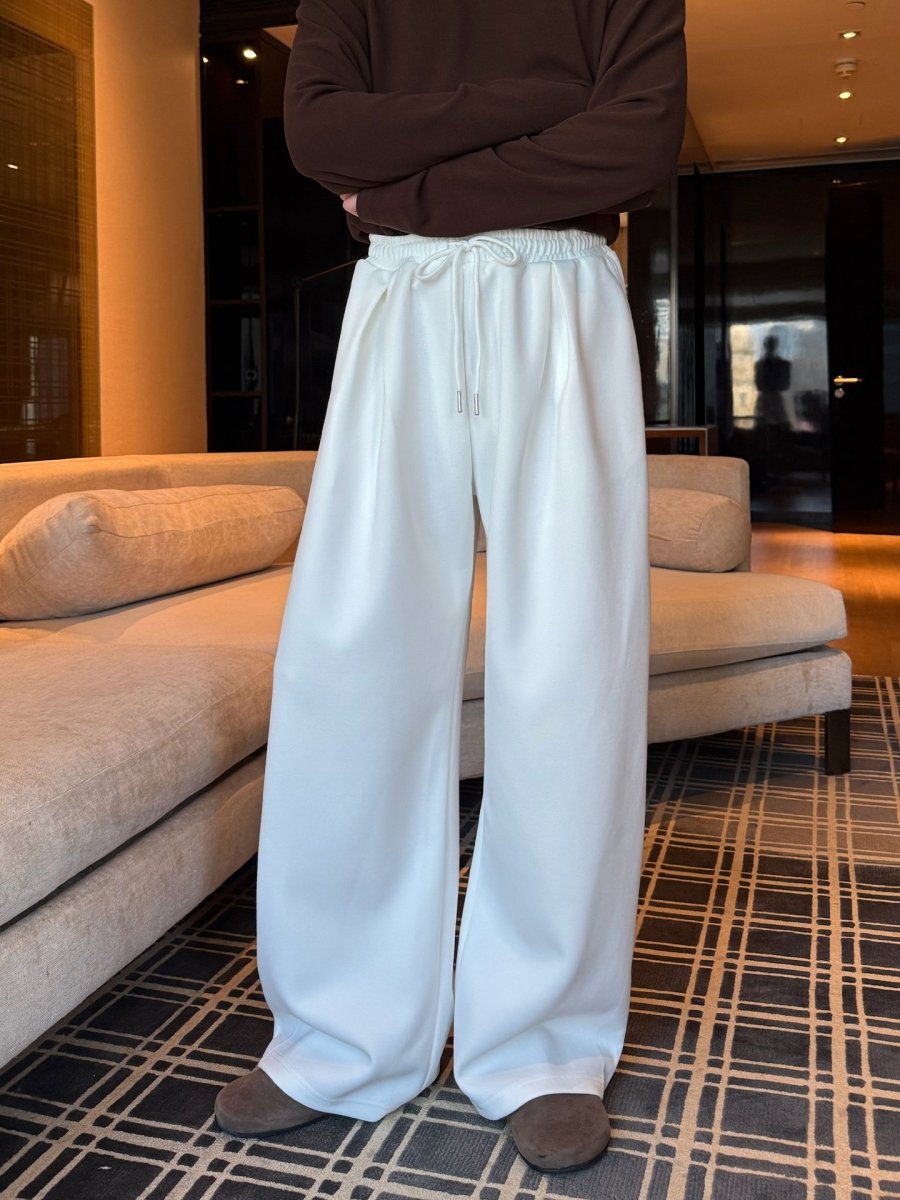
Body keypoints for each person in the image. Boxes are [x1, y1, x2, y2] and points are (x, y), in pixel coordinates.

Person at [214, 0, 686, 1173]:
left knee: (570, 665)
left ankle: (543, 1044)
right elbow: (322, 137)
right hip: (403, 295)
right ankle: (338, 1033)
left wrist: (405, 188)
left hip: (560, 290)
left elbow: (637, 142)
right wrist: (542, 106)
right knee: (350, 661)